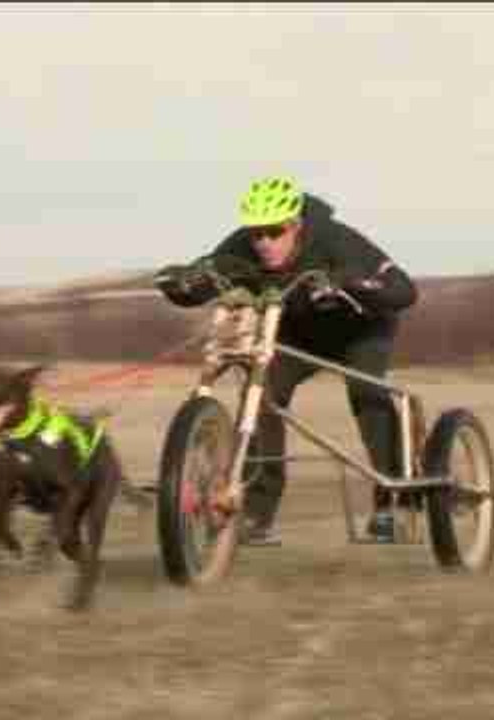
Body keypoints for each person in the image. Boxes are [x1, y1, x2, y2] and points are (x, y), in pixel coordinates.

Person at [155, 175, 419, 544]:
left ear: (295, 225)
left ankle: (394, 503)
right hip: (298, 335)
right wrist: (179, 285)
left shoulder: (335, 239)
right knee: (260, 395)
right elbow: (209, 276)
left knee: (365, 389)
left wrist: (348, 284)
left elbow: (404, 290)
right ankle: (256, 516)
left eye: (274, 232)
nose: (263, 243)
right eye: (256, 233)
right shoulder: (242, 247)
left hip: (361, 329)